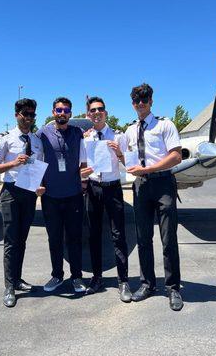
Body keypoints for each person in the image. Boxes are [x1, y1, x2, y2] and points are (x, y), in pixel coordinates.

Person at [124, 83, 184, 311]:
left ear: (151, 101)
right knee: (143, 238)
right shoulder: (130, 130)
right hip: (141, 187)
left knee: (168, 238)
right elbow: (126, 158)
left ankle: (173, 287)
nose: (140, 103)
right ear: (132, 104)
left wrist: (147, 170)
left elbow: (176, 156)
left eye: (144, 99)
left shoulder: (165, 125)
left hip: (163, 184)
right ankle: (147, 284)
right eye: (137, 100)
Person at [0, 98, 45, 308]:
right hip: (11, 192)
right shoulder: (5, 139)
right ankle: (9, 287)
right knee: (11, 241)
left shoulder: (37, 140)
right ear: (17, 115)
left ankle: (18, 279)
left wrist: (39, 185)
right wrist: (13, 162)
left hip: (29, 194)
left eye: (32, 115)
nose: (29, 118)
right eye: (25, 114)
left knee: (22, 239)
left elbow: (39, 165)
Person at [37, 97, 92, 293]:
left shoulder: (78, 133)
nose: (62, 113)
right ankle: (57, 275)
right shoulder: (42, 132)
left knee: (74, 238)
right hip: (50, 196)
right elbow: (30, 152)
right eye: (59, 110)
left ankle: (77, 277)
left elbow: (84, 159)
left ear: (70, 113)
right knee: (54, 238)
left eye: (66, 110)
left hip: (74, 195)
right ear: (53, 112)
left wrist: (84, 183)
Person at [83, 96, 132, 302]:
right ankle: (97, 278)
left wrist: (119, 153)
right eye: (93, 110)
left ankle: (123, 281)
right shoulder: (85, 139)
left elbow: (130, 163)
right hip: (93, 189)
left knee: (118, 235)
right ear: (88, 115)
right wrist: (82, 172)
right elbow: (81, 165)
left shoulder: (118, 137)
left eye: (100, 109)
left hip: (113, 189)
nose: (96, 113)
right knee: (94, 235)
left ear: (106, 113)